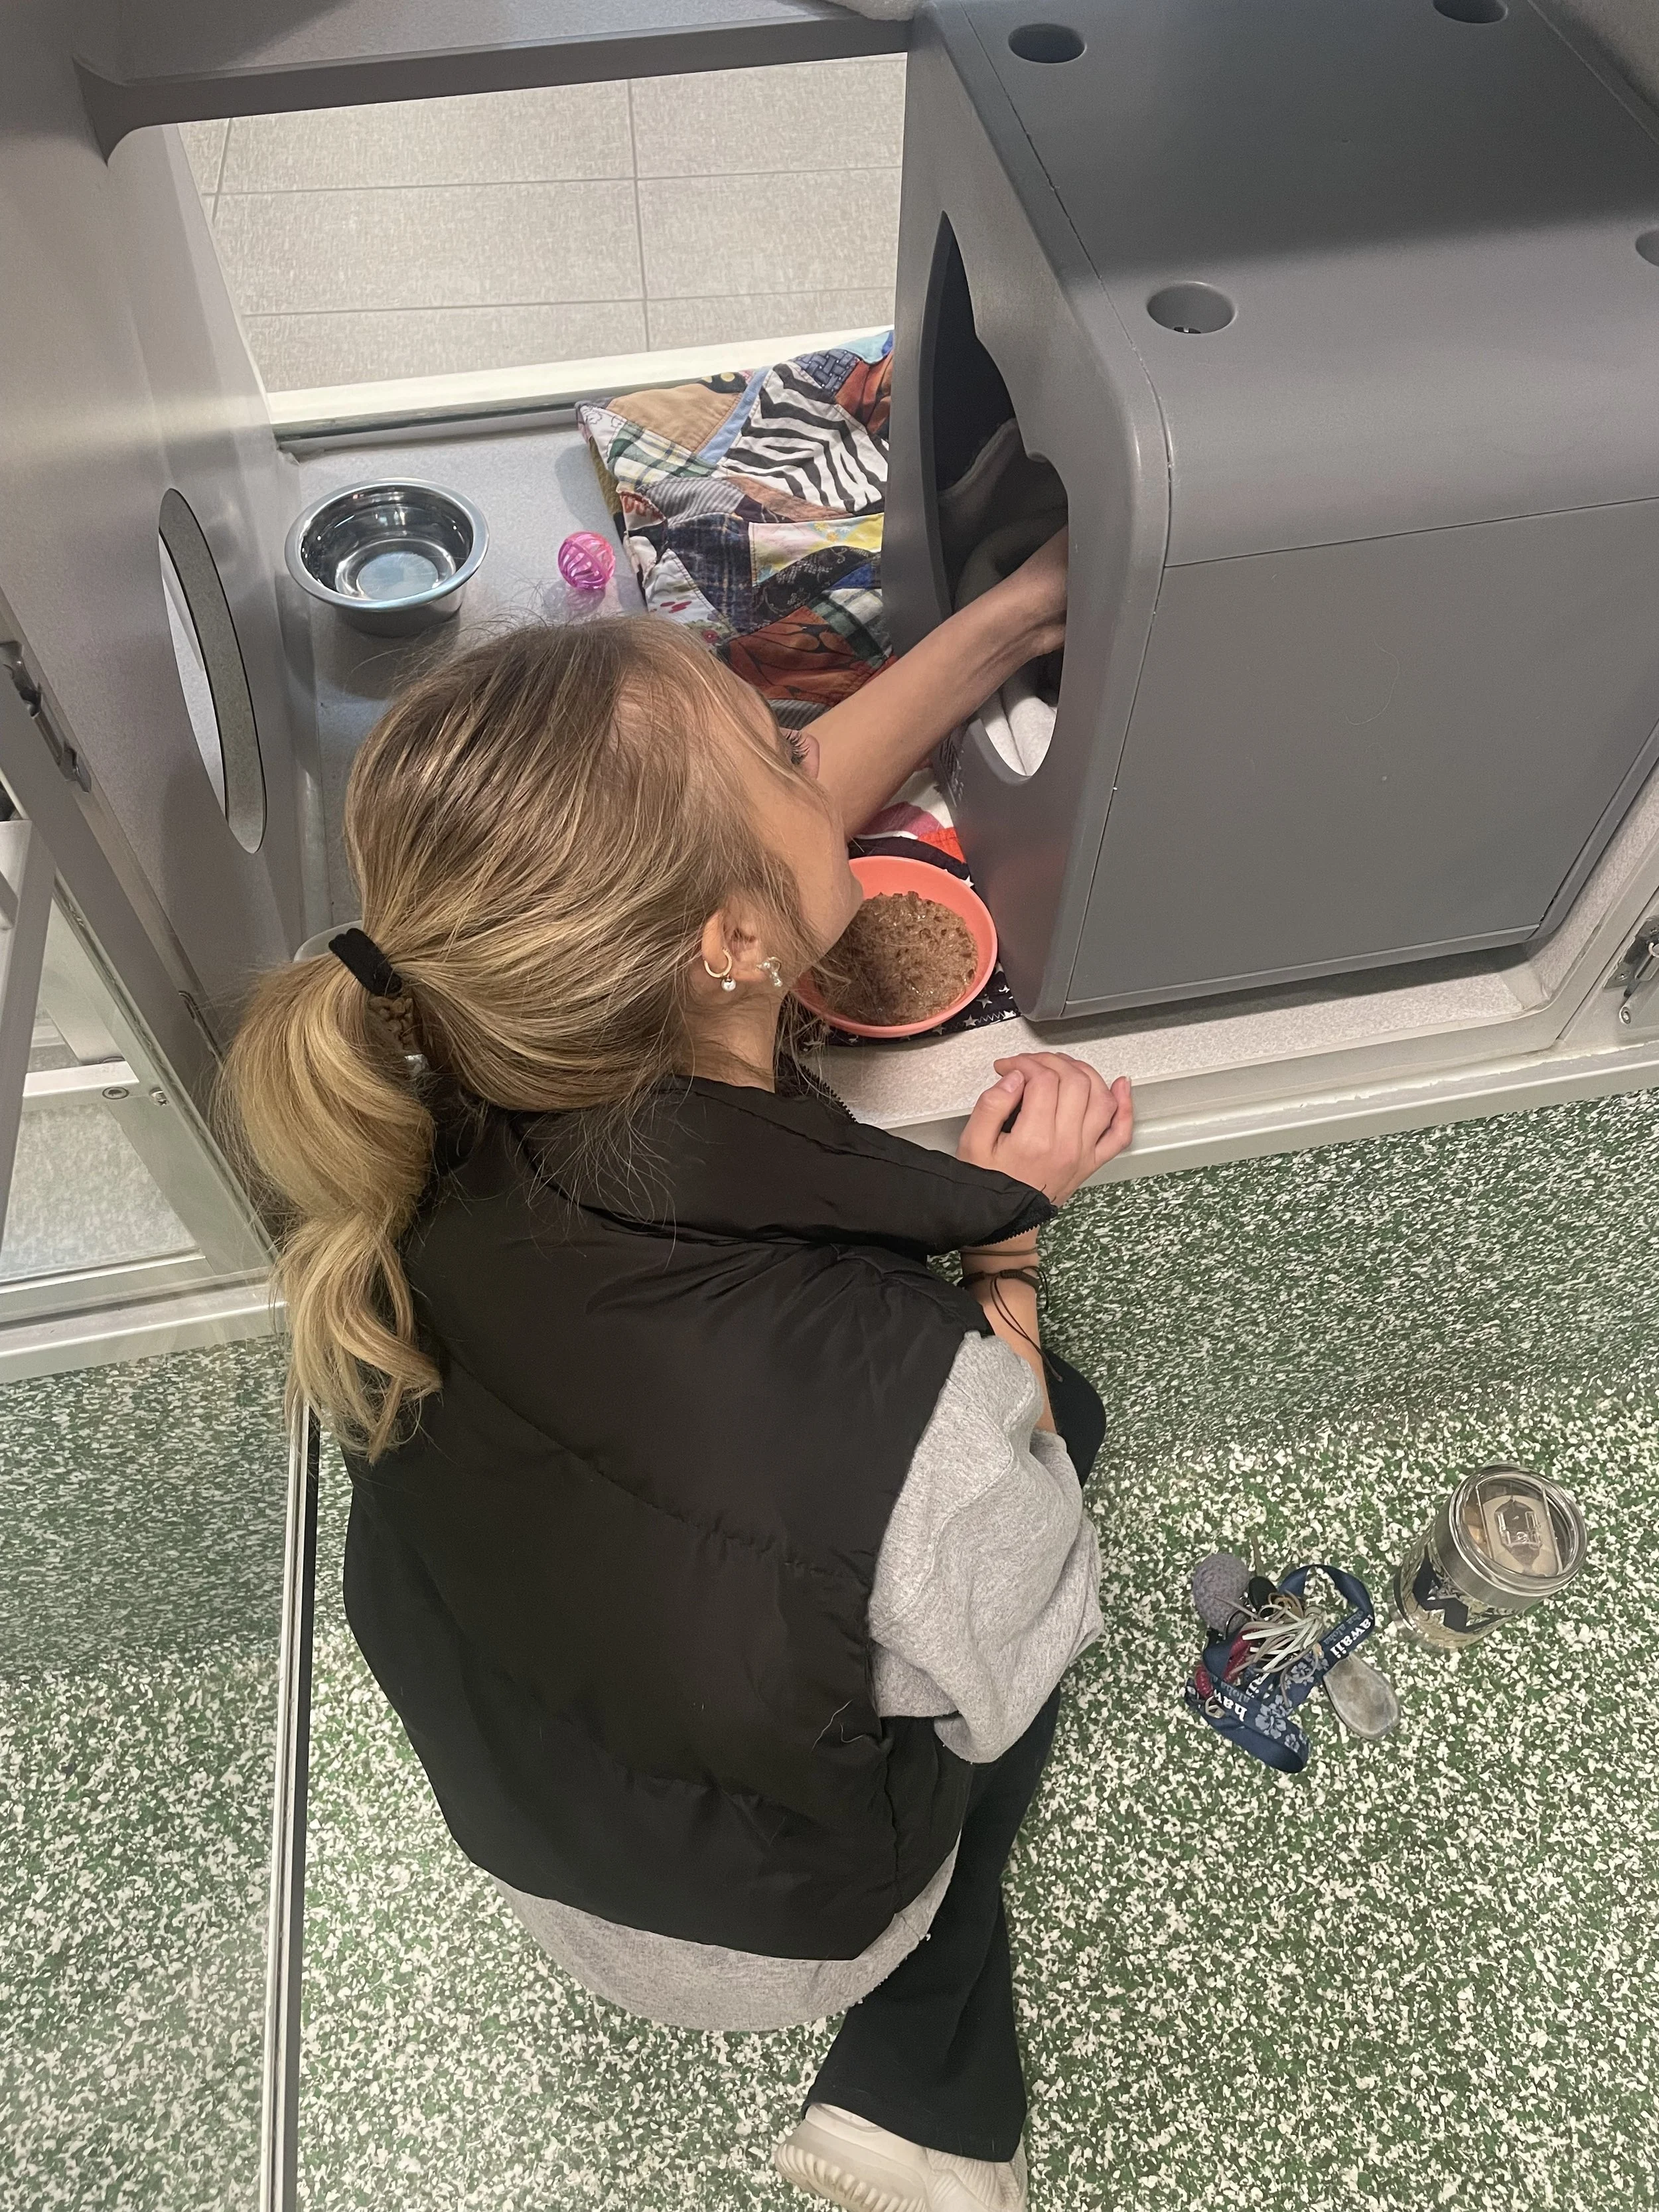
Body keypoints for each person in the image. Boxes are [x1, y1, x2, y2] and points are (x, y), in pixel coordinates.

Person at [224, 531, 1133, 2212]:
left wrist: (1013, 612)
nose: (814, 757)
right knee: (1053, 1427)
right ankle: (924, 2070)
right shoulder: (899, 1409)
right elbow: (1015, 1645)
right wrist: (1007, 1250)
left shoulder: (438, 1066)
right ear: (724, 943)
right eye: (785, 754)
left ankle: (926, 2094)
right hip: (765, 1932)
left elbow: (729, 845)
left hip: (531, 1828)